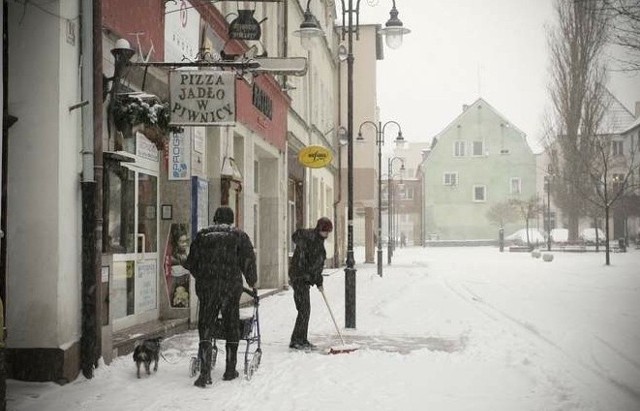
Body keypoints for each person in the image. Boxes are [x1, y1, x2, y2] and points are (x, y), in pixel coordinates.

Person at [184, 206, 257, 388]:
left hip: (208, 289)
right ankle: (230, 370)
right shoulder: (238, 236)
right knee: (231, 324)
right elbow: (248, 261)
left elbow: (191, 263)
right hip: (230, 288)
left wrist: (204, 276)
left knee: (206, 326)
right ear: (231, 220)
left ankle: (205, 373)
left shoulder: (202, 236)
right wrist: (252, 282)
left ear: (215, 219)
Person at [288, 217, 333, 350]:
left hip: (303, 278)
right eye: (325, 231)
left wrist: (318, 279)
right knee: (304, 309)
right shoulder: (310, 240)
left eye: (328, 232)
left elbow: (316, 265)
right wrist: (309, 276)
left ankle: (301, 339)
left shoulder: (317, 241)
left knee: (304, 310)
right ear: (319, 229)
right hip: (300, 278)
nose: (326, 234)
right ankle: (297, 340)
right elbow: (307, 263)